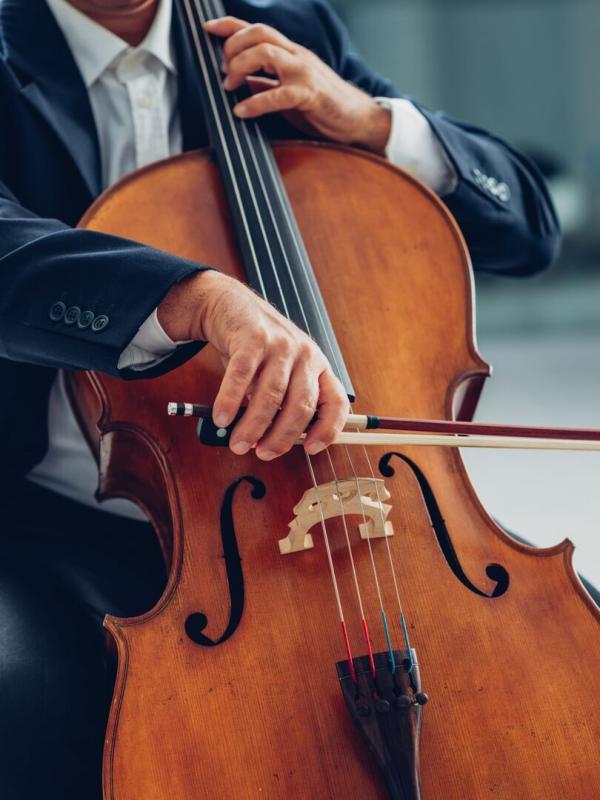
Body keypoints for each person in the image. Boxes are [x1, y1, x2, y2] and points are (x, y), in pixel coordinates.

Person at [0, 0, 560, 797]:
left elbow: (529, 228)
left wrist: (367, 123)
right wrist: (195, 298)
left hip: (357, 526)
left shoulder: (276, 29)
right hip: (61, 526)